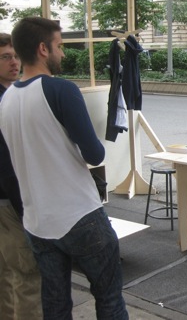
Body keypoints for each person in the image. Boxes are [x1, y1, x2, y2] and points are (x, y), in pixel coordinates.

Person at [0, 18, 128, 319]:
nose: (63, 54)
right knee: (109, 299)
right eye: (59, 46)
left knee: (56, 306)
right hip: (79, 214)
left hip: (37, 222)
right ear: (43, 49)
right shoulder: (61, 90)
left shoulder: (6, 100)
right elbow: (95, 155)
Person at [0, 32, 43, 318]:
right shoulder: (5, 100)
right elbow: (6, 161)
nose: (14, 62)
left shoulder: (11, 93)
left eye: (15, 55)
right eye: (5, 57)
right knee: (26, 277)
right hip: (9, 200)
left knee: (8, 275)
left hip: (8, 199)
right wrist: (23, 204)